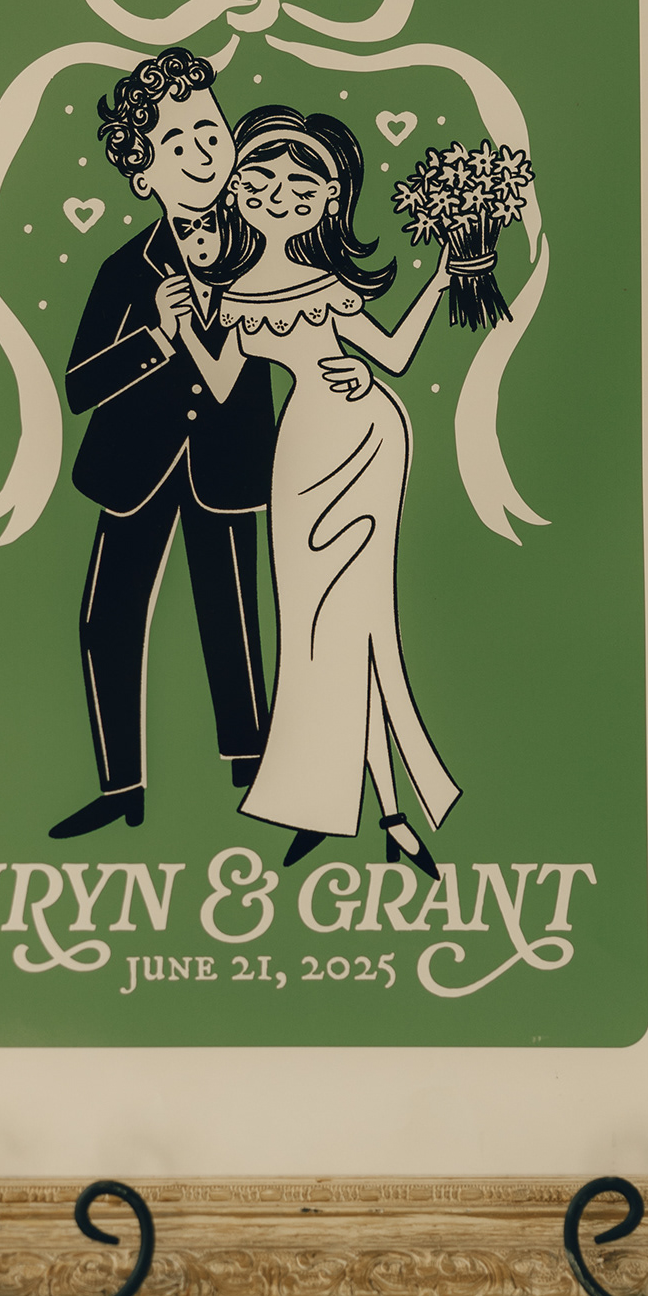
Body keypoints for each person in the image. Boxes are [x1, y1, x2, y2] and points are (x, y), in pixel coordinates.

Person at [50, 50, 369, 839]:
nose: (200, 151)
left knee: (233, 619)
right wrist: (155, 337)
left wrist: (346, 373)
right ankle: (120, 785)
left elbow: (318, 324)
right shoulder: (125, 268)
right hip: (133, 469)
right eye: (175, 141)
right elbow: (79, 384)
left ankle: (254, 767)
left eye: (209, 131)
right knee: (107, 617)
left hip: (227, 463)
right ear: (142, 176)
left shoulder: (271, 245)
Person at [179, 103, 457, 872]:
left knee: (361, 619)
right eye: (260, 181)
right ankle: (342, 805)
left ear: (331, 199)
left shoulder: (330, 282)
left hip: (365, 434)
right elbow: (222, 381)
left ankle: (387, 811)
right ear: (235, 189)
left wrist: (438, 281)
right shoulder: (231, 291)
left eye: (301, 187)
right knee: (309, 628)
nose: (279, 196)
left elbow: (393, 355)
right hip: (299, 452)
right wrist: (185, 327)